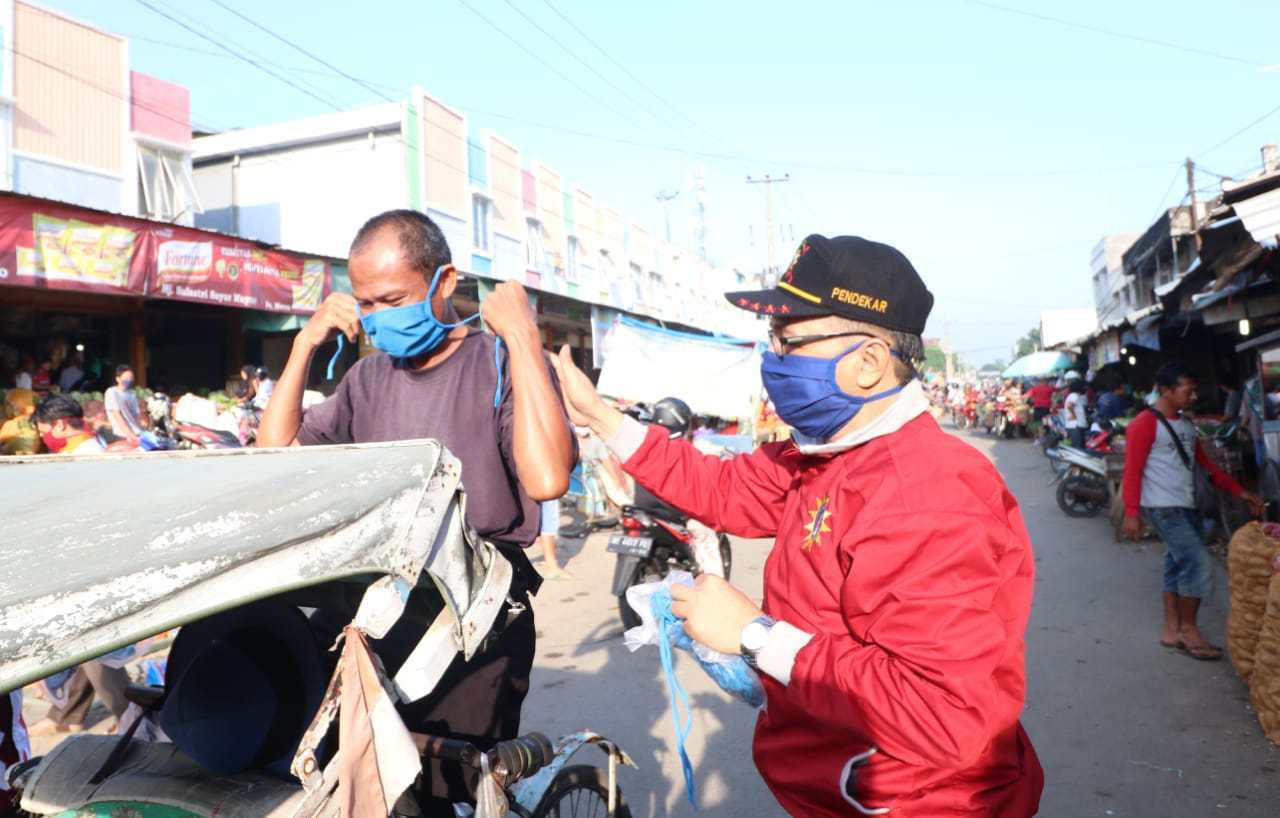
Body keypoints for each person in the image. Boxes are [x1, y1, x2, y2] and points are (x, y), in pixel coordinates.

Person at [552, 234, 1043, 817]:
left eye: (789, 341)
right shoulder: (827, 454)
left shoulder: (927, 494)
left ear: (867, 362)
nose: (772, 361)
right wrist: (604, 420)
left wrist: (756, 636)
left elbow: (943, 712)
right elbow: (723, 488)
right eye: (772, 341)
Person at [256, 208, 574, 807]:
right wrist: (304, 344)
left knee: (432, 785)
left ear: (445, 281)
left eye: (392, 299)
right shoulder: (367, 379)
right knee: (325, 764)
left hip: (473, 618)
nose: (378, 319)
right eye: (366, 304)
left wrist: (525, 339)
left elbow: (549, 476)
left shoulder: (499, 363)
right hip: (374, 610)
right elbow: (272, 458)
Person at [1122, 363, 1263, 661]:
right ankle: (1189, 629)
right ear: (1165, 389)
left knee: (1176, 565)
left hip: (1186, 504)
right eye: (1188, 390)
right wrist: (1131, 513)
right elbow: (1132, 471)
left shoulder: (1185, 425)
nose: (1194, 396)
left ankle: (1172, 630)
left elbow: (1206, 467)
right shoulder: (1144, 424)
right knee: (1198, 564)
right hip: (1162, 507)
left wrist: (1241, 491)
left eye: (1195, 390)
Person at [28, 395, 129, 736]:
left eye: (44, 431)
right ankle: (68, 714)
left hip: (89, 565)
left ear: (60, 424)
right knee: (83, 644)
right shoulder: (86, 452)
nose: (43, 438)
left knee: (93, 643)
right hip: (83, 561)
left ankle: (130, 716)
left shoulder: (84, 459)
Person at [104, 365, 144, 441]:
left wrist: (142, 431)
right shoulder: (112, 392)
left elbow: (136, 416)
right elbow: (117, 415)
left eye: (131, 378)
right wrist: (130, 435)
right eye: (126, 378)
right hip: (122, 434)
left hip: (137, 432)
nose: (129, 380)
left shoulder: (132, 393)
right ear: (118, 379)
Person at [0, 388, 40, 455]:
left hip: (13, 459)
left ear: (14, 406)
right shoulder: (37, 422)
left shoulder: (12, 424)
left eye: (7, 404)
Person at [1063, 378, 1089, 448]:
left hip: (1073, 425)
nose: (1085, 388)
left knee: (1076, 446)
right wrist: (1074, 415)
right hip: (1076, 425)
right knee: (1078, 447)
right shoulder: (1075, 396)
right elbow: (1069, 406)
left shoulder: (1072, 395)